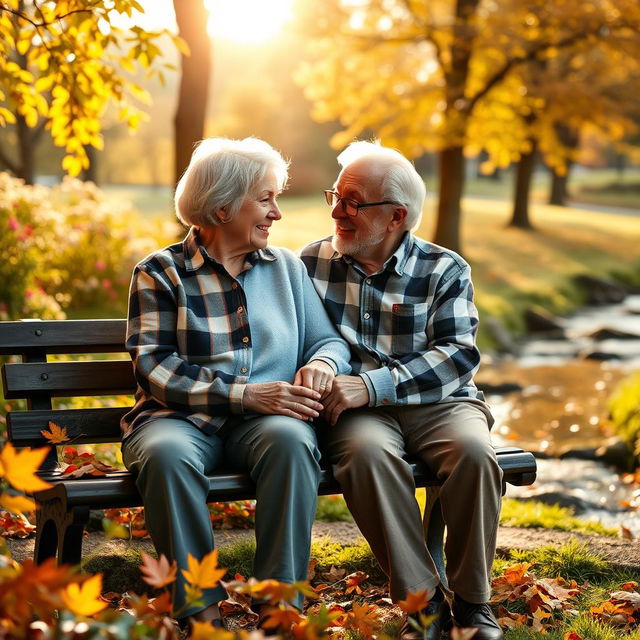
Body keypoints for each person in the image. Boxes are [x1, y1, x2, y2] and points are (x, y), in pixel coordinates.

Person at [120, 137, 351, 630]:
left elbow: (329, 342)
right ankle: (200, 612)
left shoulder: (286, 268)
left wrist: (324, 366)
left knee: (291, 441)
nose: (277, 214)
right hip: (177, 420)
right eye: (266, 199)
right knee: (164, 455)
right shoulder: (160, 273)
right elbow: (154, 367)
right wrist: (243, 393)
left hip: (263, 426)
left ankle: (280, 606)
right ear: (223, 207)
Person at [300, 141, 503, 640]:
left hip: (440, 404)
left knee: (475, 455)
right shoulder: (310, 263)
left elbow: (458, 355)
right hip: (356, 416)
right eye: (335, 195)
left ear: (396, 216)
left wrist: (372, 385)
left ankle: (474, 603)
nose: (336, 211)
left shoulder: (444, 268)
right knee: (366, 455)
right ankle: (424, 605)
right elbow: (300, 338)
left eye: (353, 201)